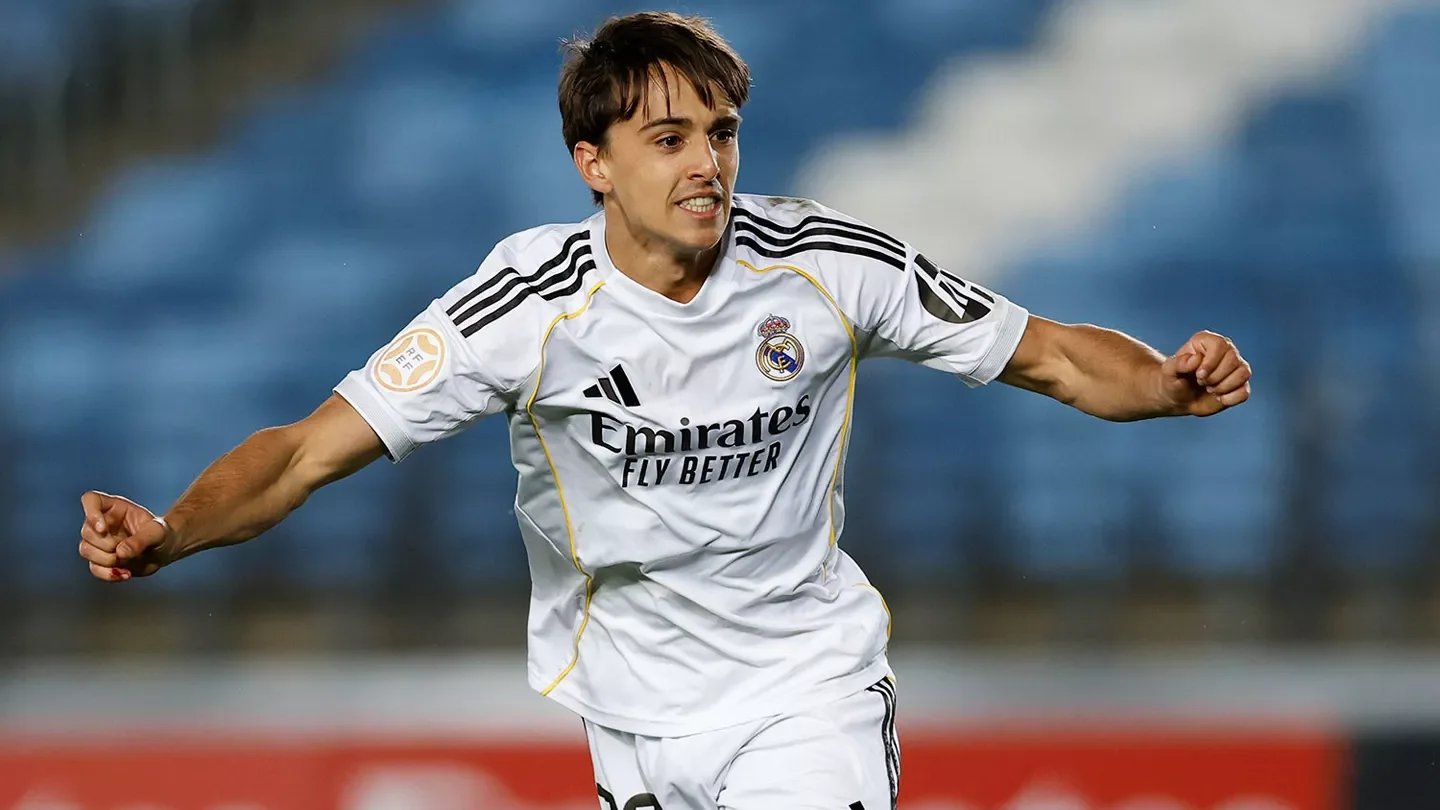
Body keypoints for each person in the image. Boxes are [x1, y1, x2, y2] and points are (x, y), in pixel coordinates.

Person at [77, 11, 1252, 810]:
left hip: (806, 692)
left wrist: (1162, 382)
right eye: (670, 137)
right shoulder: (524, 304)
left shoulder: (826, 264)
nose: (709, 165)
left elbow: (1045, 355)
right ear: (594, 162)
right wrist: (172, 533)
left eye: (723, 134)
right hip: (632, 718)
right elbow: (301, 455)